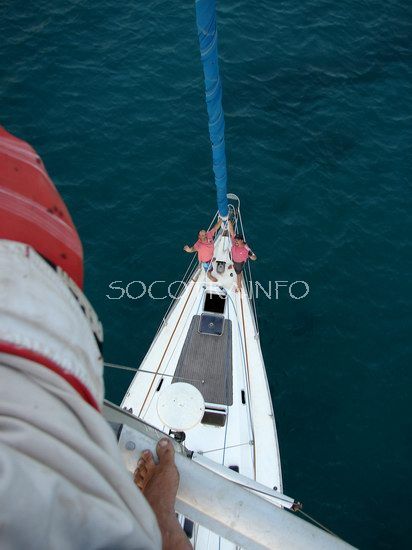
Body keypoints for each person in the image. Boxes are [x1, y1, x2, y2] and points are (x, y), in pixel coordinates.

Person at [228, 220, 257, 291]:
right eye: (236, 240)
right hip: (233, 257)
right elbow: (232, 232)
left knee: (238, 273)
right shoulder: (235, 241)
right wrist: (228, 221)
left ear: (241, 240)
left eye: (237, 240)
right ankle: (233, 265)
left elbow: (254, 258)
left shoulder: (246, 249)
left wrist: (250, 254)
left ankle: (239, 286)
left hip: (239, 263)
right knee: (233, 262)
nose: (236, 242)